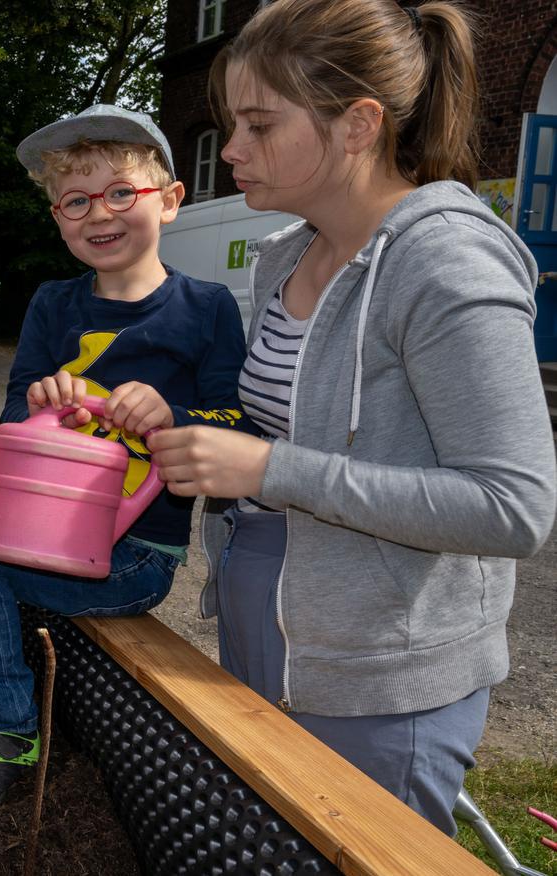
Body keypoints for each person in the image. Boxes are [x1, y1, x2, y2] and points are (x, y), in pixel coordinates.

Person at [146, 0, 556, 836]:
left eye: (260, 124)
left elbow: (514, 508)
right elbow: (296, 422)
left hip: (380, 671)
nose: (231, 150)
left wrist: (266, 470)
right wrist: (192, 430)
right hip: (272, 623)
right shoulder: (287, 254)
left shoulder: (446, 262)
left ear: (359, 125)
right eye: (231, 123)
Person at [0, 104, 251, 826]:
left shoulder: (206, 309)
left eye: (121, 192)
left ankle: (2, 733)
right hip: (30, 524)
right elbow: (11, 423)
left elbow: (235, 423)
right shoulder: (53, 304)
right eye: (76, 200)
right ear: (58, 215)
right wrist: (43, 403)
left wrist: (174, 417)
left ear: (168, 200)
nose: (99, 213)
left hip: (128, 550)